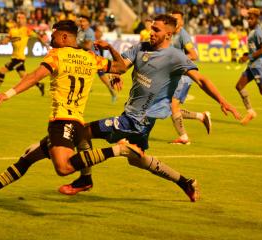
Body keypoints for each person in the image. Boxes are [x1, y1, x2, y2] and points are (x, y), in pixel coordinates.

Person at [57, 14, 240, 201]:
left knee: (83, 132)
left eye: (156, 30)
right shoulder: (141, 48)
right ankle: (185, 182)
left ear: (168, 34)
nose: (151, 32)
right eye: (151, 28)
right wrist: (114, 61)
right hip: (134, 116)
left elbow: (201, 80)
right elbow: (121, 67)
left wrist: (223, 101)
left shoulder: (175, 57)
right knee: (137, 161)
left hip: (137, 120)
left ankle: (85, 179)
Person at [0, 20, 143, 202]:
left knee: (63, 168)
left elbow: (34, 76)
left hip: (62, 121)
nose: (51, 40)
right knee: (28, 157)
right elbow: (121, 68)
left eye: (54, 36)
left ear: (65, 36)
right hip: (76, 122)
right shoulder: (91, 57)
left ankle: (119, 149)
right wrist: (109, 48)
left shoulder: (57, 55)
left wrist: (8, 93)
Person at [169, 10, 211, 145]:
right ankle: (201, 116)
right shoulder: (170, 34)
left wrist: (179, 60)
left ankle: (184, 137)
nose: (174, 20)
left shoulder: (183, 35)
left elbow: (193, 54)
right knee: (170, 108)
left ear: (181, 21)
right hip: (174, 76)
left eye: (176, 19)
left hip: (184, 76)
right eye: (172, 18)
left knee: (173, 107)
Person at [0, 11, 45, 96]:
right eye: (18, 17)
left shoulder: (27, 30)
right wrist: (3, 42)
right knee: (25, 77)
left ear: (25, 20)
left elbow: (38, 37)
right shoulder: (12, 30)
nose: (19, 19)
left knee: (2, 70)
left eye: (21, 18)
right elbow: (7, 38)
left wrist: (45, 45)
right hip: (14, 57)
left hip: (19, 58)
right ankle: (40, 85)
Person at [78, 15, 118, 103]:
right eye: (80, 21)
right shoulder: (79, 31)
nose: (81, 23)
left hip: (94, 57)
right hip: (84, 57)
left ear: (88, 22)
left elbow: (88, 46)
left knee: (102, 76)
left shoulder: (90, 32)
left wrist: (77, 44)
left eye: (83, 21)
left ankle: (112, 92)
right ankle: (86, 89)